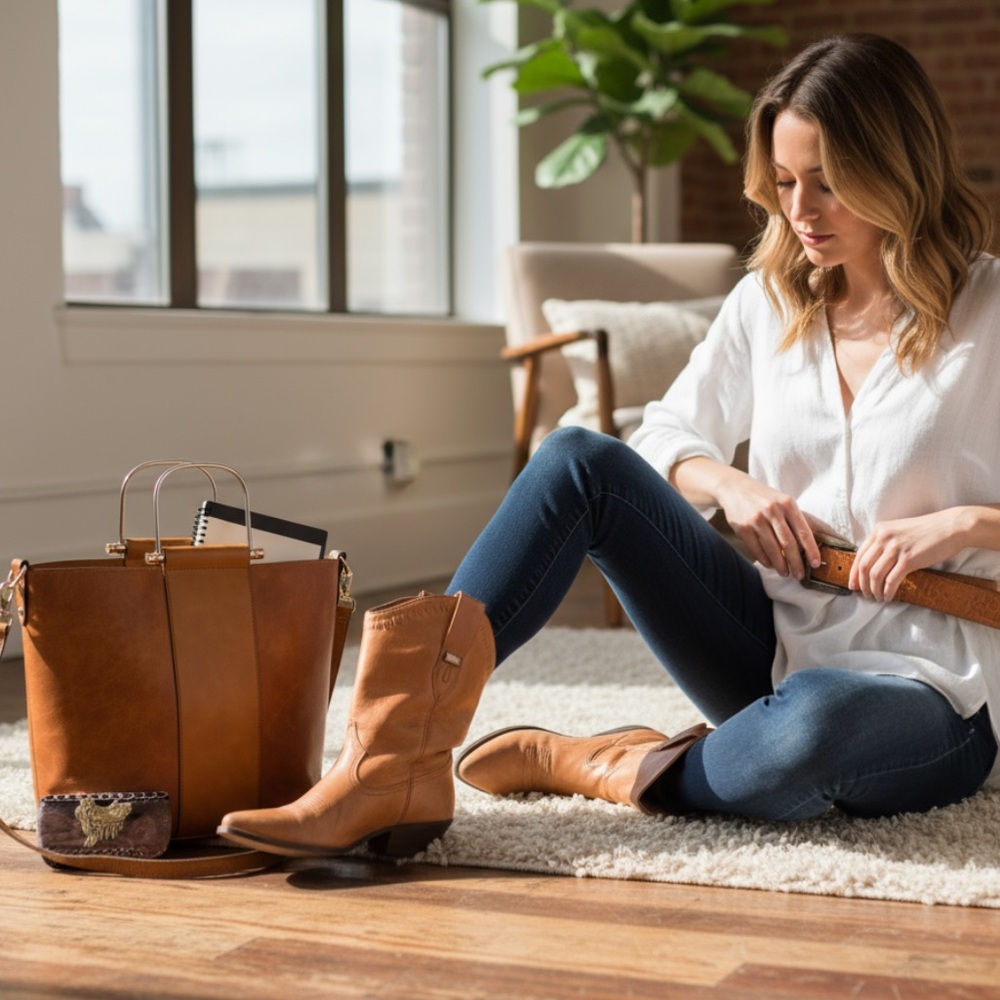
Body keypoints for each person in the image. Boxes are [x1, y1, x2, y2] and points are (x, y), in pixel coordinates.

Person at [217, 33, 1000, 858]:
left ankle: (609, 764)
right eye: (783, 182)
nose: (800, 210)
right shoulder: (767, 304)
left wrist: (964, 524)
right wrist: (726, 484)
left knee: (814, 727)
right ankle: (387, 762)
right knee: (577, 464)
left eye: (828, 183)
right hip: (777, 645)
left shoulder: (988, 310)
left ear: (895, 168)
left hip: (943, 687)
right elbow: (661, 432)